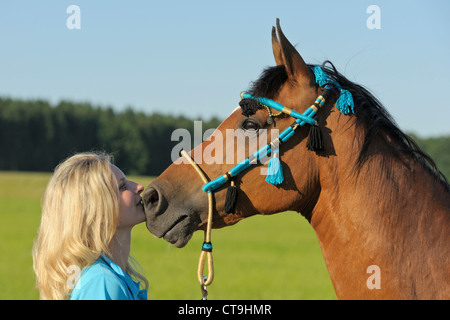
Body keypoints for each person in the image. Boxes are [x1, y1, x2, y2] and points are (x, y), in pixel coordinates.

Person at [32, 152, 148, 300]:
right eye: (123, 186)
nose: (139, 187)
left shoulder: (101, 278)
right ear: (99, 211)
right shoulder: (103, 283)